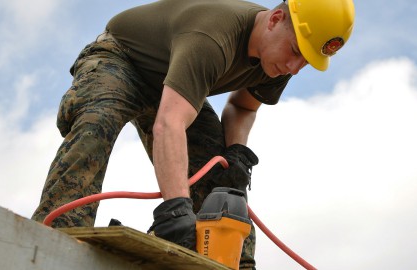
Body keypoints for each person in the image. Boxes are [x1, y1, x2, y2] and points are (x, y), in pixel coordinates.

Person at [32, 0, 355, 268]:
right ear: (275, 19)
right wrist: (175, 207)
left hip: (174, 85)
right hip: (122, 60)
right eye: (296, 51)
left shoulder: (278, 59)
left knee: (220, 173)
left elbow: (243, 108)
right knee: (97, 124)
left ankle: (234, 263)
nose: (295, 67)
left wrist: (236, 151)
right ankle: (58, 231)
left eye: (307, 61)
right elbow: (169, 124)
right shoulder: (212, 37)